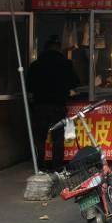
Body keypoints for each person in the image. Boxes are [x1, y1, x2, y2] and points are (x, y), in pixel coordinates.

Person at [27, 35, 80, 171]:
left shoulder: (36, 65)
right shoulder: (66, 64)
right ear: (59, 49)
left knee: (40, 138)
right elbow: (75, 82)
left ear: (45, 49)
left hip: (40, 106)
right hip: (58, 106)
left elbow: (29, 86)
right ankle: (58, 167)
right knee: (58, 138)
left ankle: (40, 166)